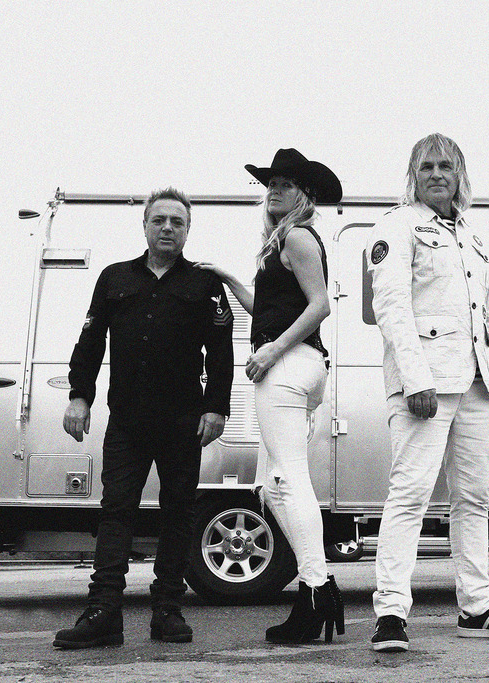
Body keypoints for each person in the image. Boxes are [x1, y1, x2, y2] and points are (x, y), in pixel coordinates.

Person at [366, 134, 489, 652]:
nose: (437, 174)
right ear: (413, 176)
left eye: (446, 166)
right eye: (427, 167)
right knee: (410, 495)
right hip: (425, 385)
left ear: (460, 174)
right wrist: (415, 378)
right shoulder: (397, 226)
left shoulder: (473, 238)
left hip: (475, 387)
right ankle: (391, 612)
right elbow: (391, 305)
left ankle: (477, 606)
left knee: (474, 498)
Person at [53, 187, 234, 649]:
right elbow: (89, 342)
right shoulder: (114, 278)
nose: (168, 228)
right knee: (116, 511)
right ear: (145, 225)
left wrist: (216, 406)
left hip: (183, 421)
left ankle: (167, 609)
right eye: (159, 220)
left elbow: (221, 351)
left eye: (177, 221)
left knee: (178, 512)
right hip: (127, 421)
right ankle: (104, 612)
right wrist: (79, 396)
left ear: (188, 230)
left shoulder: (205, 284)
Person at [197, 148, 345, 644]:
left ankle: (316, 591)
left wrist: (273, 350)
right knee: (270, 487)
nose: (274, 190)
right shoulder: (279, 242)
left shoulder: (298, 236)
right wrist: (229, 279)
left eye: (286, 184)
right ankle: (317, 586)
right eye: (271, 184)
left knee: (287, 478)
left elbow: (320, 305)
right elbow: (266, 308)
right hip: (295, 365)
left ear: (305, 194)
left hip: (289, 364)